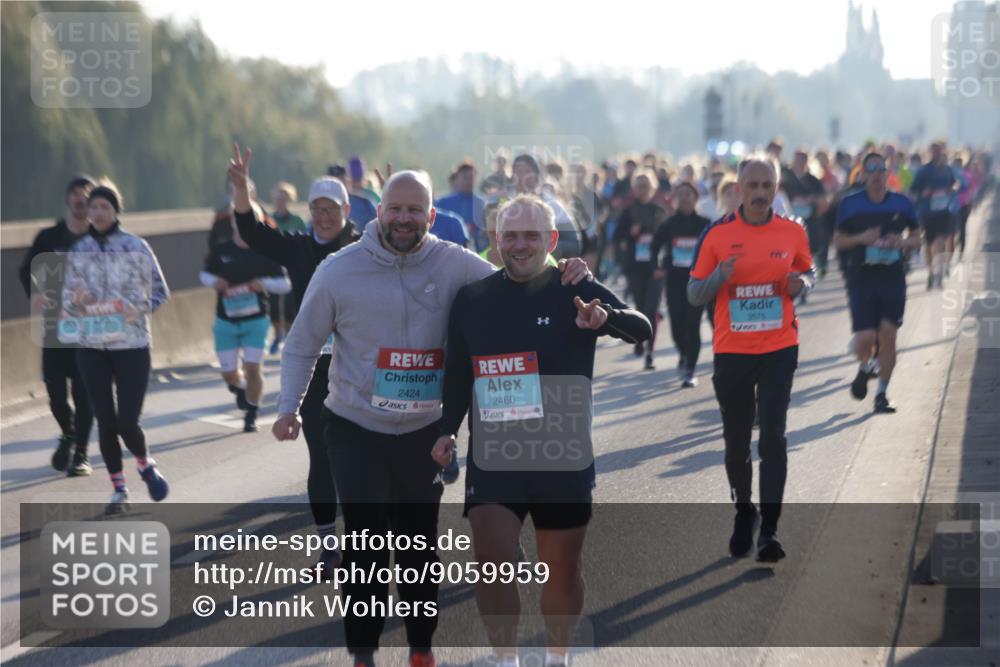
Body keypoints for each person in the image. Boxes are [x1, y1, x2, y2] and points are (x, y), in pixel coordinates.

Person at [264, 156, 592, 666]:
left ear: (431, 216)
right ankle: (364, 654)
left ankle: (421, 650)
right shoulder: (339, 269)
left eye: (414, 210)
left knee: (417, 548)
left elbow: (518, 278)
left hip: (422, 430)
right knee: (367, 545)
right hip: (354, 425)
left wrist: (566, 269)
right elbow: (302, 344)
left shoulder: (457, 263)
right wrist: (288, 407)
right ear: (379, 212)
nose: (403, 218)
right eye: (395, 208)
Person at [431, 194, 651, 667]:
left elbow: (643, 327)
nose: (520, 244)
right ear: (495, 241)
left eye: (532, 235)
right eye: (510, 235)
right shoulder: (473, 299)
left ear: (550, 240)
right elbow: (457, 375)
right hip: (496, 457)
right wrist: (446, 430)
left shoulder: (575, 287)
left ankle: (557, 656)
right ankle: (507, 658)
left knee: (562, 571)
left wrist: (604, 318)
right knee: (491, 567)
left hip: (562, 455)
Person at [233, 158, 361, 572]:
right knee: (322, 456)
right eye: (318, 210)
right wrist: (242, 191)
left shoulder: (366, 246)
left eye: (332, 210)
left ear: (346, 213)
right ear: (310, 212)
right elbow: (253, 232)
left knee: (364, 459)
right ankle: (329, 548)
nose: (324, 217)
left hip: (361, 364)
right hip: (316, 364)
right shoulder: (300, 247)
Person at [687, 158, 814, 562]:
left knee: (774, 437)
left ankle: (771, 533)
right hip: (732, 352)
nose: (761, 192)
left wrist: (802, 284)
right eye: (753, 185)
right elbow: (693, 294)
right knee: (736, 441)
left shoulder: (792, 231)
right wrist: (719, 278)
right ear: (739, 188)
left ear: (776, 187)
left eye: (767, 184)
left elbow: (809, 272)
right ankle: (745, 510)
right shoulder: (717, 234)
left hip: (779, 348)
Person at [62, 180, 170, 513]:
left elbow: (160, 291)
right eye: (93, 207)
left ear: (115, 210)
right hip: (91, 346)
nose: (97, 212)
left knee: (126, 422)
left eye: (104, 207)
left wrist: (138, 310)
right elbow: (66, 300)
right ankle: (119, 491)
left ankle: (145, 464)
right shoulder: (78, 250)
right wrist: (75, 302)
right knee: (105, 422)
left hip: (132, 345)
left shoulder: (136, 246)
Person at [19, 175, 97, 476]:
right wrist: (36, 294)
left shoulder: (98, 239)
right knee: (55, 394)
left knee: (83, 393)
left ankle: (81, 455)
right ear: (68, 199)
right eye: (75, 194)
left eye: (86, 195)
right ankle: (68, 431)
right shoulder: (48, 237)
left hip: (89, 329)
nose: (80, 199)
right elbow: (27, 270)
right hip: (54, 328)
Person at [833, 153, 922, 413]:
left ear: (887, 173)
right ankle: (865, 366)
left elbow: (917, 238)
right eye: (870, 170)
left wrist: (903, 243)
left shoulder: (902, 203)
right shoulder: (850, 204)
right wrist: (862, 238)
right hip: (861, 276)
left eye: (881, 169)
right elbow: (838, 241)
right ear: (862, 174)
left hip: (892, 276)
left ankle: (881, 394)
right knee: (865, 339)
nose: (876, 175)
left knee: (888, 337)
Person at [201, 218, 292, 431]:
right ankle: (241, 387)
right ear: (233, 224)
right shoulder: (222, 250)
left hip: (256, 321)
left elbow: (285, 284)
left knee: (252, 368)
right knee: (229, 375)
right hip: (226, 322)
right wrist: (214, 282)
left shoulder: (265, 251)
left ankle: (251, 413)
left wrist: (264, 284)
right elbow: (204, 273)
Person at [652, 181, 710, 386]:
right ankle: (683, 354)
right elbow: (655, 245)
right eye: (681, 194)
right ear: (676, 198)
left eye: (689, 194)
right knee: (677, 326)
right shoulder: (669, 224)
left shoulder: (705, 223)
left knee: (693, 326)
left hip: (697, 281)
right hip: (674, 281)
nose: (685, 198)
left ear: (696, 198)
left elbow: (715, 249)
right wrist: (656, 266)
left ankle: (690, 369)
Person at [613, 171, 668, 369]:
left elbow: (668, 238)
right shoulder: (628, 212)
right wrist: (629, 235)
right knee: (639, 306)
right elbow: (617, 238)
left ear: (653, 188)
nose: (643, 189)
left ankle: (650, 352)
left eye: (646, 185)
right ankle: (639, 339)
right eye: (639, 186)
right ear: (634, 190)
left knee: (651, 308)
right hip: (635, 267)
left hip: (655, 267)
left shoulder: (660, 211)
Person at [910, 142, 957, 289]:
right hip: (928, 212)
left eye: (939, 151)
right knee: (929, 244)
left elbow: (955, 184)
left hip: (944, 211)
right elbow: (913, 190)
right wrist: (924, 193)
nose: (936, 154)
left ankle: (940, 272)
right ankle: (931, 272)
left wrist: (951, 190)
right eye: (934, 152)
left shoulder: (948, 170)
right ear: (930, 153)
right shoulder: (923, 171)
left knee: (942, 240)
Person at [268, 182, 307, 354]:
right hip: (273, 266)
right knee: (274, 305)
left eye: (283, 199)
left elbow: (305, 241)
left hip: (292, 266)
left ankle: (290, 336)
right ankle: (277, 334)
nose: (280, 203)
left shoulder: (297, 221)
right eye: (277, 199)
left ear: (289, 200)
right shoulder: (269, 220)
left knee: (291, 303)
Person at [436, 161, 486, 250]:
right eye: (465, 178)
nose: (468, 181)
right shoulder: (443, 202)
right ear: (457, 178)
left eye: (471, 178)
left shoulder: (482, 204)